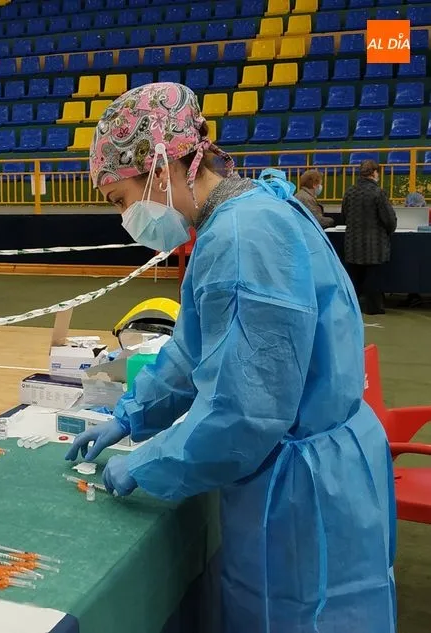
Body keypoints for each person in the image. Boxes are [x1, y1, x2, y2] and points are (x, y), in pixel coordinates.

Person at [67, 83, 395, 633]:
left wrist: (145, 463)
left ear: (158, 168)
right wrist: (131, 414)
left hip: (303, 492)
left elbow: (244, 412)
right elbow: (196, 349)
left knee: (300, 617)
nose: (127, 217)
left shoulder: (242, 238)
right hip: (326, 465)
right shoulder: (245, 214)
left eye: (122, 200)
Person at [341, 160, 397, 315]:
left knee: (354, 278)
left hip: (353, 244)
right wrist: (389, 230)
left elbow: (344, 215)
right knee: (373, 278)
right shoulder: (378, 193)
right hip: (374, 245)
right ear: (374, 173)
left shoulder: (350, 192)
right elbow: (389, 219)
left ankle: (351, 309)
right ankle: (373, 309)